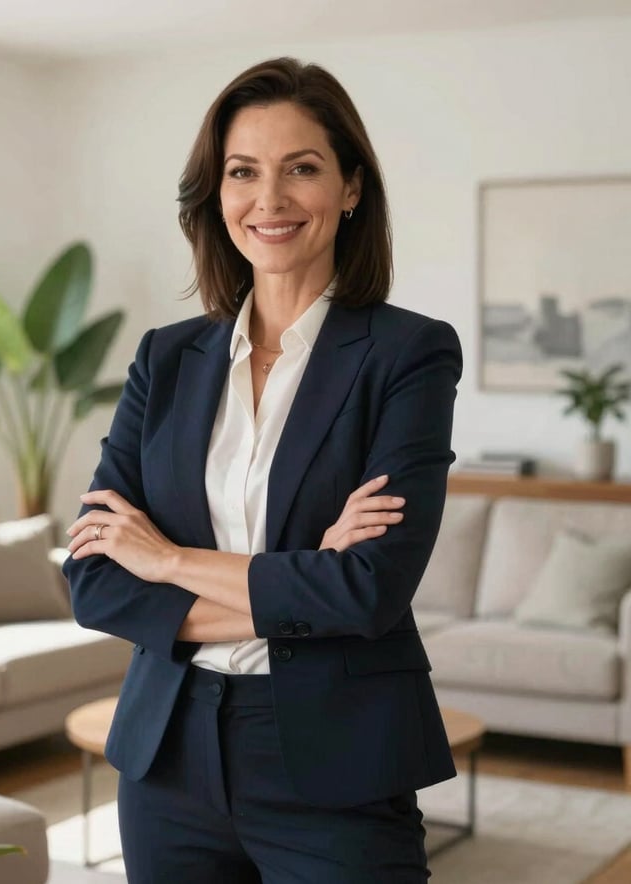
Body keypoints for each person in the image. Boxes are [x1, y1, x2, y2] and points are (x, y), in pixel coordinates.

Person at [64, 56, 462, 883]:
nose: (269, 199)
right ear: (216, 194)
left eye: (302, 169)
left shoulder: (409, 354)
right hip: (167, 758)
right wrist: (302, 578)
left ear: (351, 188)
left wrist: (169, 562)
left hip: (337, 761)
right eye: (243, 172)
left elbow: (369, 591)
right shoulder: (164, 359)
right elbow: (95, 582)